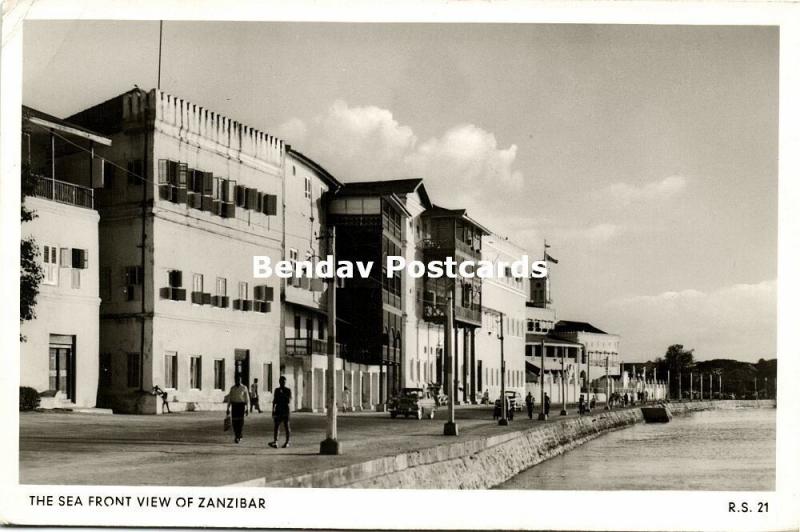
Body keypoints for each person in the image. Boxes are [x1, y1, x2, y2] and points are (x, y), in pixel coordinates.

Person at [269, 376, 292, 448]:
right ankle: (276, 441)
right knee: (276, 426)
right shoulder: (276, 390)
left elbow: (288, 400)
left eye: (284, 382)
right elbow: (274, 401)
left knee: (286, 426)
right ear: (279, 382)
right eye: (281, 381)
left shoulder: (288, 390)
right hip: (278, 409)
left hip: (285, 409)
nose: (282, 383)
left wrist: (283, 394)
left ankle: (287, 442)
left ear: (285, 382)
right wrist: (273, 410)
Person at [226, 375, 250, 444]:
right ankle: (237, 435)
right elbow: (229, 398)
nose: (238, 381)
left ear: (241, 380)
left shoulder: (244, 388)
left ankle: (238, 436)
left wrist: (247, 408)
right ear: (235, 380)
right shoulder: (232, 388)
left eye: (239, 380)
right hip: (234, 406)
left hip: (241, 406)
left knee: (240, 422)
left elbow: (247, 399)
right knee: (234, 422)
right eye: (236, 380)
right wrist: (228, 408)